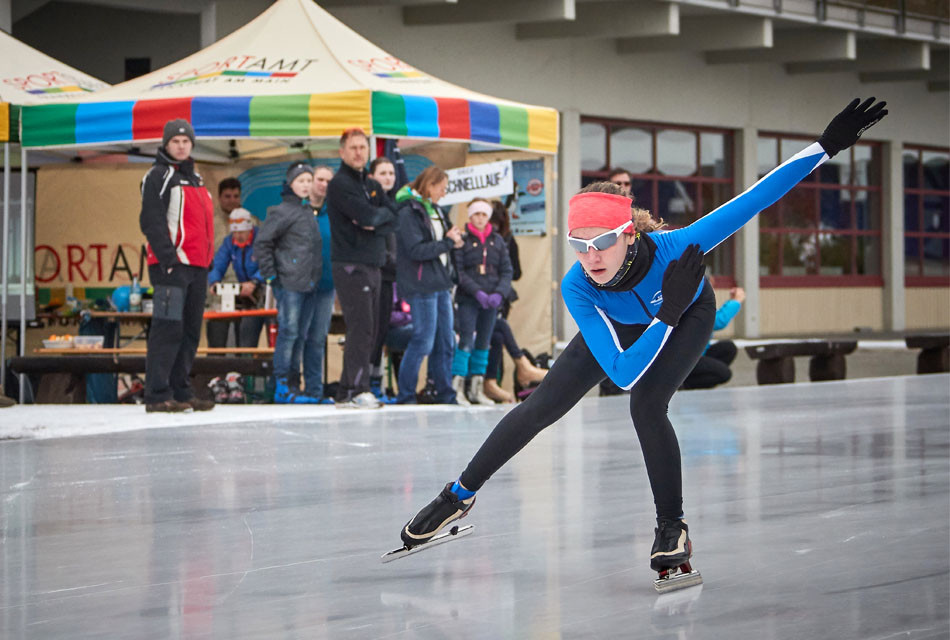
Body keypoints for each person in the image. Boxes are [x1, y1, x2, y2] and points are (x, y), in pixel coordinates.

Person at [397, 99, 888, 583]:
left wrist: (825, 147)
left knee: (648, 406)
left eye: (602, 241)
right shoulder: (577, 285)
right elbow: (623, 372)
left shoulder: (678, 247)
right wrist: (661, 315)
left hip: (689, 313)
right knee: (539, 407)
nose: (591, 257)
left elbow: (756, 197)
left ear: (628, 234)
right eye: (579, 245)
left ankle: (672, 528)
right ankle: (457, 495)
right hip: (641, 322)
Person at [139, 118, 216, 413]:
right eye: (176, 141)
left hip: (197, 268)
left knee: (190, 331)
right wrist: (168, 259)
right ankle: (157, 394)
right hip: (171, 266)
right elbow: (150, 219)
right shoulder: (158, 175)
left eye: (186, 142)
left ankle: (181, 391)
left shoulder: (195, 178)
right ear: (166, 144)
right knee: (167, 328)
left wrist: (206, 263)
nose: (181, 146)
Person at [326, 128, 397, 409]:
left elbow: (392, 217)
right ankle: (357, 388)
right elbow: (367, 215)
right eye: (353, 147)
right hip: (351, 265)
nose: (358, 152)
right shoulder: (341, 184)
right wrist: (373, 218)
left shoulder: (371, 185)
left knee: (372, 327)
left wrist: (374, 220)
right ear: (342, 152)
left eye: (363, 147)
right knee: (362, 328)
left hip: (373, 264)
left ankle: (346, 389)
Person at [393, 166, 464, 404]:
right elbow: (415, 250)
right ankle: (406, 394)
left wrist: (452, 239)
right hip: (421, 284)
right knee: (423, 340)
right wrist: (447, 242)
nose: (443, 194)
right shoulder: (408, 212)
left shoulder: (436, 210)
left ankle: (445, 393)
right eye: (442, 189)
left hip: (441, 282)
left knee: (445, 341)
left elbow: (442, 243)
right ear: (430, 185)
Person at [255, 162, 323, 404]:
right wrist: (271, 275)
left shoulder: (307, 211)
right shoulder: (282, 211)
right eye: (301, 180)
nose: (305, 185)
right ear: (290, 183)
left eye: (308, 180)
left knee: (300, 335)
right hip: (290, 283)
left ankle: (294, 384)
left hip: (308, 283)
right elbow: (263, 242)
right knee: (289, 332)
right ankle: (282, 383)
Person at [482, 201, 546, 403]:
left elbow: (515, 272)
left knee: (496, 336)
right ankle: (519, 366)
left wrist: (501, 277)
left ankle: (495, 382)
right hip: (479, 296)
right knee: (494, 334)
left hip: (500, 296)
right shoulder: (478, 240)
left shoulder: (506, 241)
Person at [450, 198, 513, 405]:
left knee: (484, 342)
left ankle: (477, 387)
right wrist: (476, 292)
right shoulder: (463, 240)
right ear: (470, 216)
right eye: (476, 214)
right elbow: (459, 272)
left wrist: (499, 293)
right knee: (466, 340)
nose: (480, 218)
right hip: (469, 298)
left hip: (492, 300)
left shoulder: (497, 241)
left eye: (483, 214)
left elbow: (507, 270)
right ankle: (458, 386)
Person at [293, 164, 336, 402]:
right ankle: (290, 386)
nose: (323, 184)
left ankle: (314, 389)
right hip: (299, 285)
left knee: (318, 338)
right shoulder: (297, 210)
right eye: (319, 179)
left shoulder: (336, 212)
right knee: (296, 335)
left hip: (327, 284)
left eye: (328, 181)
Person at [206, 208, 266, 349]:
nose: (238, 236)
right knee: (246, 337)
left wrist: (255, 282)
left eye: (241, 233)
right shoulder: (230, 242)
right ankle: (243, 365)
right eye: (235, 233)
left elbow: (269, 265)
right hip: (247, 295)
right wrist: (214, 282)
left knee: (273, 334)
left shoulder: (262, 240)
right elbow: (219, 263)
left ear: (249, 229)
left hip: (266, 290)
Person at [367, 156, 399, 400]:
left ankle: (376, 381)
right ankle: (365, 382)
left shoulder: (392, 204)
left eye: (391, 173)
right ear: (372, 177)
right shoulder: (372, 205)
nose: (388, 177)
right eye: (383, 173)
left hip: (390, 278)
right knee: (370, 330)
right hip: (373, 274)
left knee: (382, 331)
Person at [682, 286, 745, 389]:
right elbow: (716, 321)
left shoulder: (697, 303)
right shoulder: (689, 304)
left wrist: (732, 301)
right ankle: (684, 386)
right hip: (684, 359)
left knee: (728, 348)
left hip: (697, 354)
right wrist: (736, 301)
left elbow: (712, 316)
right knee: (724, 373)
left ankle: (699, 382)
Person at [214, 177, 244, 247]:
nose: (232, 201)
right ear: (219, 198)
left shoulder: (251, 221)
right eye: (227, 196)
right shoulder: (210, 222)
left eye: (236, 196)